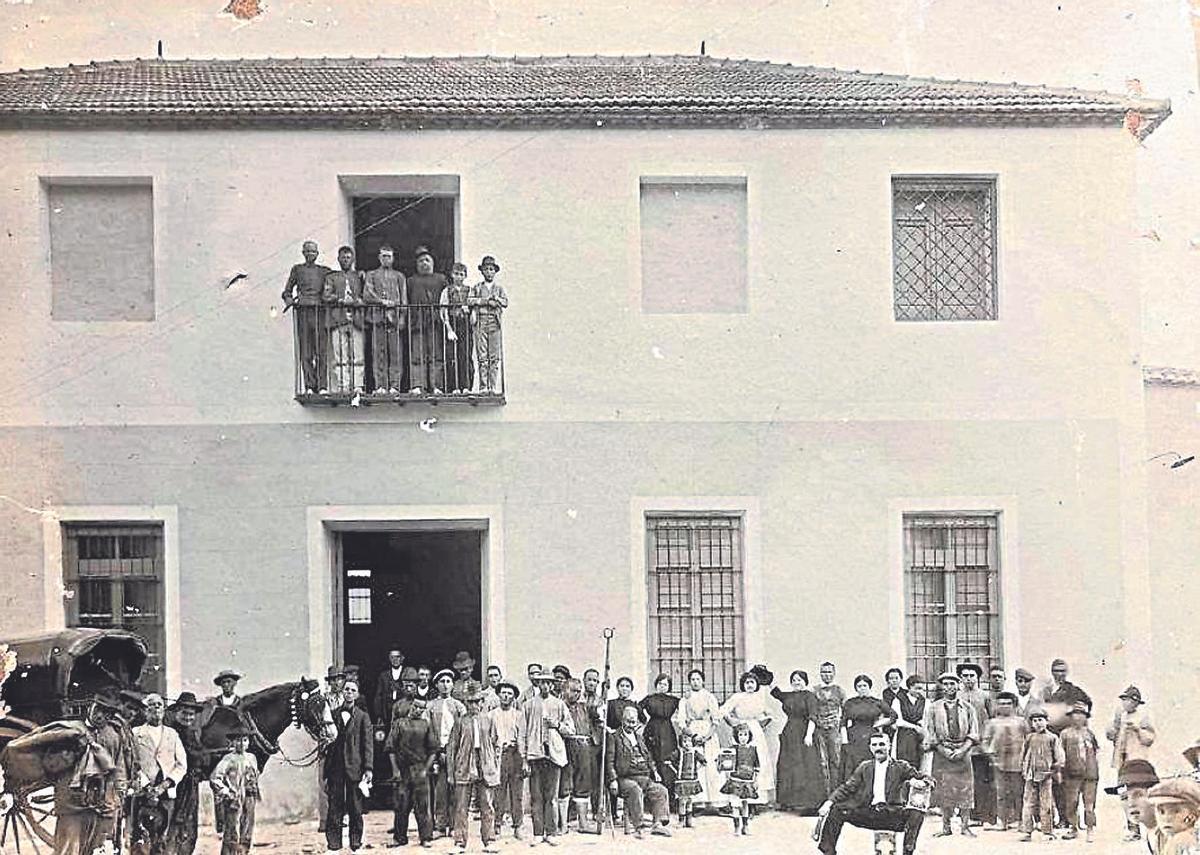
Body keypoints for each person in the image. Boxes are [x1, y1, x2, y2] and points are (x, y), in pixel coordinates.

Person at [816, 730, 930, 855]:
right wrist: (829, 802)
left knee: (917, 813)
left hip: (892, 814)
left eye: (882, 744)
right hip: (869, 813)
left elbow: (927, 778)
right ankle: (828, 851)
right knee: (836, 810)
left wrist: (921, 783)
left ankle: (908, 851)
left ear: (889, 745)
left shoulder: (900, 766)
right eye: (874, 745)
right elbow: (848, 787)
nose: (878, 748)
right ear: (870, 748)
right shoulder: (865, 767)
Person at [53, 693, 129, 855]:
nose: (101, 716)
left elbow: (119, 769)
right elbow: (52, 764)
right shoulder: (69, 731)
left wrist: (119, 796)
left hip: (102, 806)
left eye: (108, 713)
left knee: (99, 850)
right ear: (90, 706)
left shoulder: (113, 736)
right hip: (72, 806)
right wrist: (73, 752)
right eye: (99, 709)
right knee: (68, 850)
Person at [522, 669, 575, 845]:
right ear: (538, 684)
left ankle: (551, 831)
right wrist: (524, 758)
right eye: (542, 682)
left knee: (552, 796)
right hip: (535, 755)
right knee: (536, 796)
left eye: (548, 682)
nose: (545, 685)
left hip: (554, 755)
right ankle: (538, 832)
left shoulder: (559, 705)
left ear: (552, 685)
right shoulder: (529, 705)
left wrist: (557, 725)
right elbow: (522, 733)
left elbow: (571, 730)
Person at [131, 693, 188, 855]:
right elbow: (132, 763)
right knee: (139, 839)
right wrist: (147, 786)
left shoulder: (172, 734)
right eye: (152, 705)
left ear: (164, 710)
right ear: (145, 710)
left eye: (159, 705)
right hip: (142, 793)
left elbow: (181, 764)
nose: (156, 708)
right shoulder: (136, 733)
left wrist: (165, 785)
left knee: (162, 839)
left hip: (166, 794)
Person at [385, 675, 437, 849]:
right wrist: (395, 770)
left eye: (420, 708)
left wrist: (426, 769)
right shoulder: (399, 724)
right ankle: (399, 837)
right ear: (410, 707)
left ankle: (426, 837)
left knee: (423, 806)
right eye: (415, 707)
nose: (416, 710)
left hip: (420, 770)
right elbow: (390, 748)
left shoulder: (426, 725)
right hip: (403, 769)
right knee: (401, 804)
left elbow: (433, 751)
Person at [924, 671, 979, 838]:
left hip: (963, 752)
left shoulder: (968, 708)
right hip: (942, 753)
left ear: (958, 685)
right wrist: (944, 750)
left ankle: (965, 826)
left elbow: (974, 732)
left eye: (952, 684)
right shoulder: (933, 708)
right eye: (946, 684)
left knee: (965, 789)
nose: (949, 687)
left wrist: (963, 750)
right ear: (941, 686)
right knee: (943, 790)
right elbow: (930, 733)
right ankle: (946, 826)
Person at [446, 688, 500, 854]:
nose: (474, 705)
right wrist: (451, 772)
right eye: (470, 702)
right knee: (461, 806)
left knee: (487, 805)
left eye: (477, 701)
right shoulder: (460, 722)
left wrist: (495, 766)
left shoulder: (488, 721)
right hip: (464, 765)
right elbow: (451, 748)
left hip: (485, 764)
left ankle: (489, 840)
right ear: (466, 703)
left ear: (482, 703)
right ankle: (460, 842)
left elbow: (496, 744)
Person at [607, 705, 672, 839]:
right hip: (624, 778)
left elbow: (648, 757)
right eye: (628, 721)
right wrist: (613, 780)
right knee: (634, 789)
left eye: (633, 722)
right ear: (622, 720)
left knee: (660, 790)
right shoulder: (614, 737)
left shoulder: (639, 737)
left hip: (643, 776)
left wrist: (655, 772)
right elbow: (609, 761)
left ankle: (658, 824)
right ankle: (639, 827)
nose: (631, 725)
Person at [324, 680, 373, 852]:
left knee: (355, 808)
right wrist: (326, 771)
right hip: (336, 768)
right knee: (335, 808)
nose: (349, 693)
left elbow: (367, 745)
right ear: (343, 692)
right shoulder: (332, 714)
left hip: (355, 768)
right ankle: (334, 844)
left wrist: (368, 768)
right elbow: (328, 746)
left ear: (357, 694)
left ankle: (355, 842)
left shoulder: (362, 717)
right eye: (346, 689)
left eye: (353, 690)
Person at [771, 669, 826, 813]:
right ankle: (787, 801)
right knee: (787, 765)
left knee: (806, 766)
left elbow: (813, 716)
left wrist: (808, 735)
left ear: (805, 681)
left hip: (804, 733)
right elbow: (776, 693)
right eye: (794, 680)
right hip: (790, 733)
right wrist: (764, 676)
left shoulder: (810, 696)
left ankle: (809, 804)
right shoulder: (789, 696)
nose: (796, 682)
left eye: (800, 679)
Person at [282, 240, 332, 393]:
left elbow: (337, 282)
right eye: (308, 251)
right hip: (303, 310)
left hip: (319, 311)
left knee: (321, 350)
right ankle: (310, 385)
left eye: (313, 251)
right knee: (306, 350)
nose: (311, 254)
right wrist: (290, 301)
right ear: (303, 253)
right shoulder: (297, 270)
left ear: (317, 254)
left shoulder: (325, 271)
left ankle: (322, 386)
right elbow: (287, 291)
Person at [719, 671, 776, 807]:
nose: (749, 685)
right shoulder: (737, 697)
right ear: (743, 684)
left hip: (755, 731)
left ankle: (755, 800)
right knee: (740, 761)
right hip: (741, 731)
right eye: (747, 682)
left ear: (756, 684)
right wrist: (733, 722)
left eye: (752, 682)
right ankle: (738, 799)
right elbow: (723, 710)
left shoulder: (759, 697)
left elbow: (769, 714)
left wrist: (761, 724)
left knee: (757, 760)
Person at [678, 669, 727, 810]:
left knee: (711, 765)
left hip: (708, 733)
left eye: (698, 679)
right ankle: (697, 803)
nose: (695, 682)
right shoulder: (685, 698)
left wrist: (707, 736)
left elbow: (716, 719)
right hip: (692, 732)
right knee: (696, 768)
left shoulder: (709, 697)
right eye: (692, 679)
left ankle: (716, 802)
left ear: (703, 680)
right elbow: (682, 722)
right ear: (689, 682)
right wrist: (693, 736)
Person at [361, 244, 407, 394]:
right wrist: (381, 302)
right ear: (379, 258)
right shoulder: (371, 275)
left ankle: (395, 386)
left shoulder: (399, 276)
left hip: (394, 319)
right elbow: (367, 294)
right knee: (378, 353)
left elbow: (404, 299)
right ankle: (380, 385)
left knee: (395, 354)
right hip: (377, 318)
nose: (386, 259)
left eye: (389, 256)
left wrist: (402, 318)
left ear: (393, 258)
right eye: (383, 256)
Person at [165, 691, 206, 855]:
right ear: (177, 712)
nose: (188, 717)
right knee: (173, 825)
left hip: (191, 787)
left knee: (189, 828)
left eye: (191, 714)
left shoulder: (192, 733)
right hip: (175, 786)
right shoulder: (170, 733)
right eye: (185, 713)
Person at [981, 690, 1028, 832]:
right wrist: (989, 753)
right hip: (999, 763)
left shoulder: (1021, 722)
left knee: (1018, 792)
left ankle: (1021, 820)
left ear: (1014, 705)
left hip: (1017, 762)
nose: (1005, 706)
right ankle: (1002, 821)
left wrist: (1026, 758)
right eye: (1001, 704)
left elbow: (1029, 739)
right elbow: (985, 741)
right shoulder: (992, 723)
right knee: (1000, 793)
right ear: (996, 706)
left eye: (1008, 703)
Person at [210, 726, 261, 855]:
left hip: (249, 798)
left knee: (247, 830)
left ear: (248, 742)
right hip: (235, 800)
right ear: (232, 742)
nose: (241, 744)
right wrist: (227, 792)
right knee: (233, 831)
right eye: (238, 740)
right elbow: (215, 778)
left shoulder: (252, 758)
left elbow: (254, 776)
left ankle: (244, 852)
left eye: (244, 740)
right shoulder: (229, 759)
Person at [956, 663, 996, 828]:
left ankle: (983, 814)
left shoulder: (985, 696)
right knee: (963, 780)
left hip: (980, 746)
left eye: (972, 676)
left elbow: (992, 718)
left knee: (981, 780)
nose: (968, 679)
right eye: (965, 676)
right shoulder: (957, 696)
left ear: (978, 678)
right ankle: (966, 815)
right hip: (962, 745)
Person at [427, 669, 465, 838]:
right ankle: (441, 825)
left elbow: (464, 731)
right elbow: (428, 731)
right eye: (442, 681)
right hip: (439, 752)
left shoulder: (458, 706)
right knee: (440, 791)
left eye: (448, 681)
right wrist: (436, 752)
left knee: (457, 791)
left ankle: (455, 825)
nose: (445, 684)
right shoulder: (431, 706)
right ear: (436, 685)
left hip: (457, 753)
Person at [405, 245, 448, 394]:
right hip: (417, 322)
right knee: (417, 355)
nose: (424, 263)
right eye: (421, 261)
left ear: (432, 263)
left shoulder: (441, 279)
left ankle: (436, 386)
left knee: (436, 355)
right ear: (417, 264)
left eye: (427, 260)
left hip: (435, 322)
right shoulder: (411, 281)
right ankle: (418, 385)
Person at [839, 674, 897, 784]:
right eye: (859, 686)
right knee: (854, 764)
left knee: (870, 763)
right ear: (856, 688)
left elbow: (893, 716)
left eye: (864, 685)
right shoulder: (850, 703)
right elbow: (843, 722)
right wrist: (844, 741)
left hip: (872, 737)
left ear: (869, 687)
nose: (862, 688)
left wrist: (879, 723)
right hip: (854, 736)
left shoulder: (876, 702)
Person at [323, 246, 365, 394]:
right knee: (340, 354)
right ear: (339, 259)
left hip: (356, 319)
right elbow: (326, 296)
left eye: (348, 257)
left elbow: (365, 296)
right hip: (338, 318)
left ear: (352, 259)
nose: (346, 260)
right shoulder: (332, 277)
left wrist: (358, 301)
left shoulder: (359, 277)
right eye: (343, 257)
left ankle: (358, 385)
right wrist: (338, 299)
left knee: (357, 355)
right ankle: (343, 386)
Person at [562, 677, 601, 834]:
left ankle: (583, 823)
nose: (577, 694)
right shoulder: (559, 706)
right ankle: (562, 823)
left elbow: (599, 716)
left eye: (579, 691)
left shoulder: (585, 707)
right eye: (573, 691)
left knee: (583, 785)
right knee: (564, 784)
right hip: (566, 746)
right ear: (565, 690)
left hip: (584, 748)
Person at [487, 681, 526, 840]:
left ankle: (517, 826)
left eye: (510, 694)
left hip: (515, 754)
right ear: (498, 694)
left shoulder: (518, 715)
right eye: (503, 692)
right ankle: (497, 825)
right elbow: (488, 739)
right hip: (499, 755)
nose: (506, 696)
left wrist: (524, 759)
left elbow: (523, 738)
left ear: (514, 697)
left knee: (517, 794)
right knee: (499, 792)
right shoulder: (491, 715)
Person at [1019, 709, 1064, 842]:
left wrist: (1053, 769)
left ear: (1047, 721)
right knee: (1028, 803)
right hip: (1030, 775)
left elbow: (1060, 758)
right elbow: (1023, 754)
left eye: (1040, 720)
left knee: (1046, 803)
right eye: (1035, 721)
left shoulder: (1053, 738)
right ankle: (1027, 831)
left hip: (1046, 776)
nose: (1038, 723)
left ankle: (1047, 831)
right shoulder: (1029, 737)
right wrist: (1023, 768)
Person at [639, 674, 680, 813]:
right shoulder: (650, 699)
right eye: (660, 683)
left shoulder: (674, 700)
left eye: (666, 684)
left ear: (669, 686)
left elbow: (685, 710)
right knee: (653, 762)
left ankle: (671, 803)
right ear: (656, 685)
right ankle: (651, 804)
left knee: (668, 764)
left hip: (668, 732)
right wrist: (644, 721)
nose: (663, 686)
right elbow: (638, 707)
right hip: (652, 730)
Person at [1060, 701, 1100, 842]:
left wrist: (1094, 768)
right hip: (1072, 774)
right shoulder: (1065, 734)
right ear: (1070, 717)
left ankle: (1090, 828)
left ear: (1085, 717)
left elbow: (1096, 751)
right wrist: (1061, 770)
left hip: (1090, 774)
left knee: (1089, 804)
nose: (1078, 718)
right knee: (1072, 802)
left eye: (1081, 714)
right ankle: (1073, 827)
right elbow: (1060, 753)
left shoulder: (1089, 733)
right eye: (1075, 714)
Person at [469, 255, 507, 393]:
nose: (489, 272)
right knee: (482, 356)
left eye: (491, 269)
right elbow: (470, 300)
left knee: (494, 357)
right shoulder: (477, 287)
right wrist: (485, 301)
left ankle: (493, 386)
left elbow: (505, 302)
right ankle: (483, 386)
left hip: (494, 323)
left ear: (494, 272)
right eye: (486, 269)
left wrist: (496, 299)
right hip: (481, 321)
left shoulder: (499, 289)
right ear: (482, 271)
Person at [1103, 759, 1160, 844]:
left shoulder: (1170, 835)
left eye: (1138, 795)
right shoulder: (1149, 833)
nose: (1131, 804)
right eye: (1124, 798)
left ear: (1156, 794)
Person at [719, 723, 761, 836]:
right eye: (740, 735)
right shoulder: (733, 749)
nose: (743, 737)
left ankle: (745, 826)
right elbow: (726, 761)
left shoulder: (753, 750)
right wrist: (722, 766)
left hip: (747, 781)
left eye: (745, 735)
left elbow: (757, 766)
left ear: (749, 736)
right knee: (735, 804)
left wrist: (756, 780)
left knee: (745, 803)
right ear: (737, 736)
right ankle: (736, 827)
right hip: (735, 780)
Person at [440, 262, 474, 393]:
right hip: (452, 323)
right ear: (452, 275)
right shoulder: (447, 291)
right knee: (452, 356)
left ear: (465, 276)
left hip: (465, 325)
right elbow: (443, 310)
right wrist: (448, 328)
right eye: (456, 274)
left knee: (465, 355)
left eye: (461, 274)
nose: (459, 277)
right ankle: (454, 387)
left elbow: (473, 308)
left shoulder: (469, 290)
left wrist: (470, 312)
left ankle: (466, 386)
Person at [813, 662, 847, 789]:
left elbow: (846, 711)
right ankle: (824, 793)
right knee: (822, 761)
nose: (826, 675)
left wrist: (842, 729)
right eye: (823, 672)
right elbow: (811, 710)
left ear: (834, 673)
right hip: (819, 729)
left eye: (829, 672)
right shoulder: (814, 690)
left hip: (834, 729)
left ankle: (836, 792)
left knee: (835, 760)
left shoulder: (839, 690)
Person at [882, 670, 925, 769]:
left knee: (917, 763)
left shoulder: (924, 701)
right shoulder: (898, 700)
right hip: (903, 735)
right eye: (916, 688)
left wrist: (922, 723)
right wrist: (914, 726)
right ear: (909, 688)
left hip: (918, 736)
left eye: (921, 689)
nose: (919, 691)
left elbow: (926, 717)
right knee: (902, 762)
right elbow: (897, 720)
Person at [1146, 777, 1200, 855]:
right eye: (1161, 812)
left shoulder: (1185, 841)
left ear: (1194, 814)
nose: (1167, 818)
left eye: (1176, 811)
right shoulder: (1158, 837)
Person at [374, 649, 408, 737]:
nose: (395, 660)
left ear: (402, 658)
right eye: (392, 657)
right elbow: (378, 696)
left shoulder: (407, 674)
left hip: (403, 714)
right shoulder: (384, 676)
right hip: (387, 715)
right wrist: (379, 715)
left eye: (397, 657)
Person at [674, 732, 704, 828]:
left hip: (692, 780)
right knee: (682, 801)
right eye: (684, 741)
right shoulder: (679, 752)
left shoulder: (695, 753)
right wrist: (676, 771)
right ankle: (681, 820)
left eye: (689, 741)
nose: (687, 744)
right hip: (682, 780)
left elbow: (703, 761)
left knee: (690, 800)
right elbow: (669, 761)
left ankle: (689, 820)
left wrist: (696, 769)